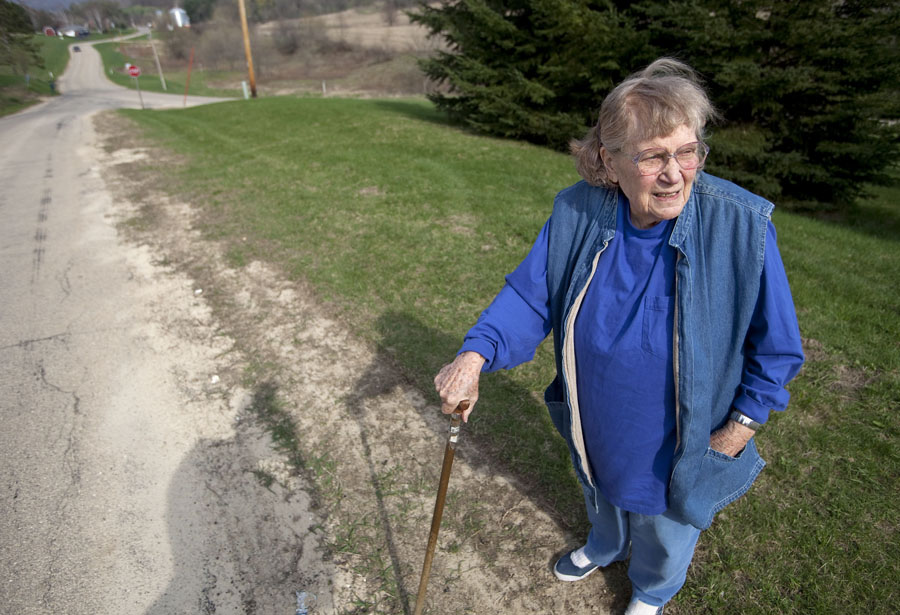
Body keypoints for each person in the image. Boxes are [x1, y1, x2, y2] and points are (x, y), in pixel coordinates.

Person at [433, 58, 804, 615]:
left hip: (684, 435)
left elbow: (776, 348)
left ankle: (652, 588)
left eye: (688, 152)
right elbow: (531, 296)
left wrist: (736, 431)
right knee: (598, 484)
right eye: (653, 156)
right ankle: (606, 544)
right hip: (597, 414)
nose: (675, 174)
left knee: (666, 523)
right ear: (609, 161)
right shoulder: (577, 211)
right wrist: (474, 354)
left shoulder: (741, 225)